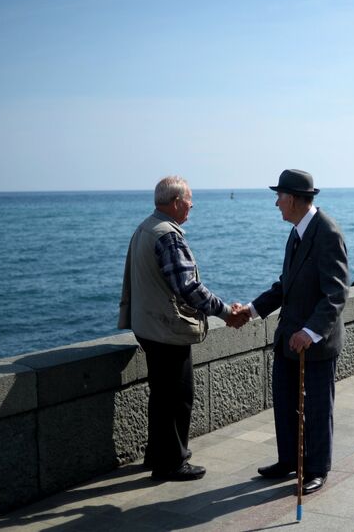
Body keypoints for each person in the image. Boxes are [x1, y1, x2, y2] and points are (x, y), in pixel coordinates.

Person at [118, 176, 243, 482]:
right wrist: (226, 312)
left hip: (146, 326)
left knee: (161, 396)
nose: (192, 205)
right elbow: (189, 287)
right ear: (175, 202)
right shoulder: (168, 236)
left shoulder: (145, 227)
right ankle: (172, 462)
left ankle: (156, 455)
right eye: (189, 200)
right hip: (167, 328)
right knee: (178, 397)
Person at [238, 169, 348, 495]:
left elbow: (336, 293)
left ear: (296, 200)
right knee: (285, 404)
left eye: (280, 197)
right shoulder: (297, 232)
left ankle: (316, 468)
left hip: (315, 342)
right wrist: (252, 309)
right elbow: (285, 285)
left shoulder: (326, 232)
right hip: (288, 338)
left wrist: (311, 331)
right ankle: (289, 459)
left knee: (316, 408)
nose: (276, 203)